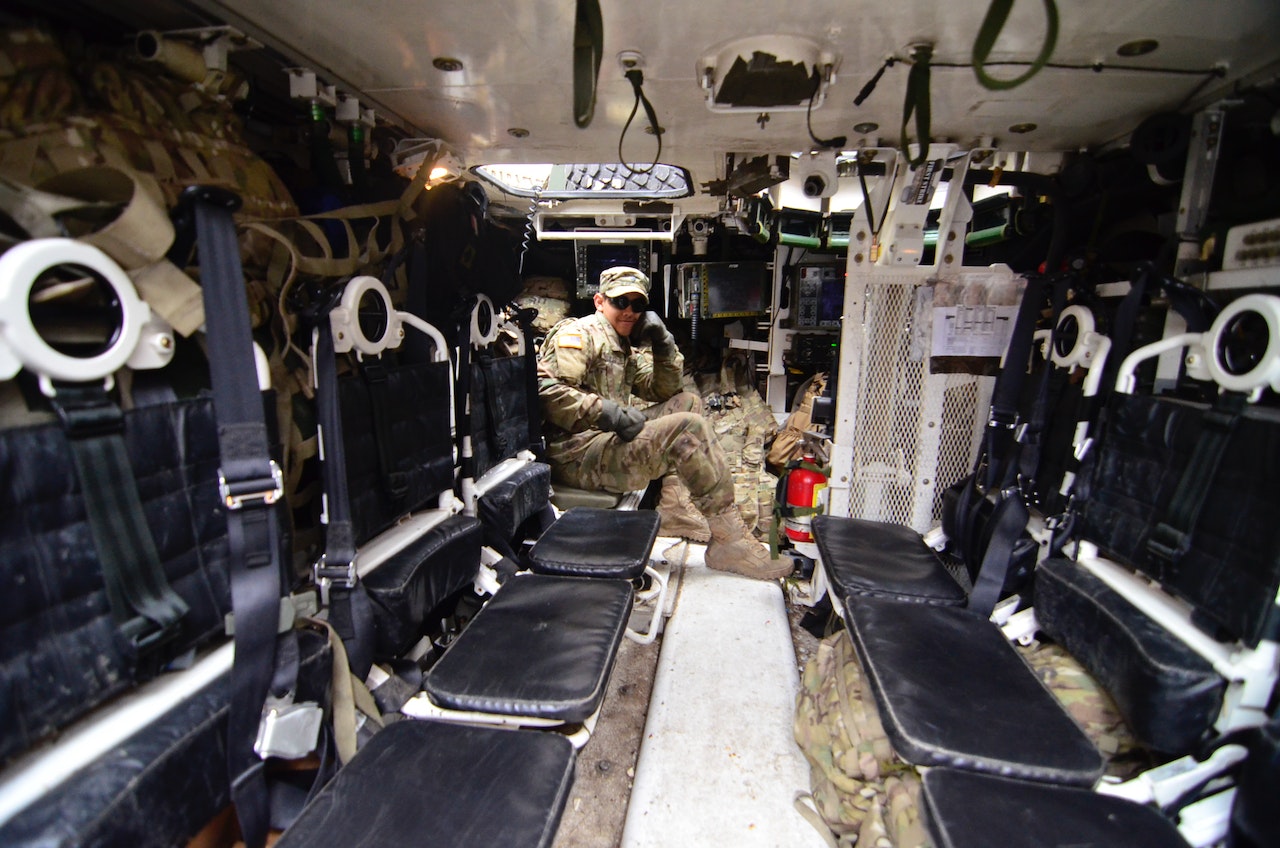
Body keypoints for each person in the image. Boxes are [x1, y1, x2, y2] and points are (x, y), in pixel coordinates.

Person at [537, 266, 792, 581]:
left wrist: (663, 344)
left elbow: (666, 390)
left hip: (601, 441)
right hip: (577, 455)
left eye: (637, 305)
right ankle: (730, 540)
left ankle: (675, 508)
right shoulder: (581, 334)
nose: (629, 311)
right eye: (620, 302)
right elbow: (546, 392)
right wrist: (606, 412)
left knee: (688, 406)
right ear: (600, 301)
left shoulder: (623, 344)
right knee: (688, 426)